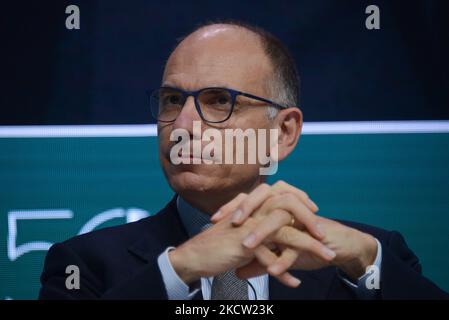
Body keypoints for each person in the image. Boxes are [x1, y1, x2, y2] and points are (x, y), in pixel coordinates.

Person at [39, 21, 448, 300]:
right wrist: (178, 270)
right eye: (172, 100)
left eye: (220, 101)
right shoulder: (84, 267)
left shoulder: (369, 260)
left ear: (284, 133)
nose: (183, 124)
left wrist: (365, 261)